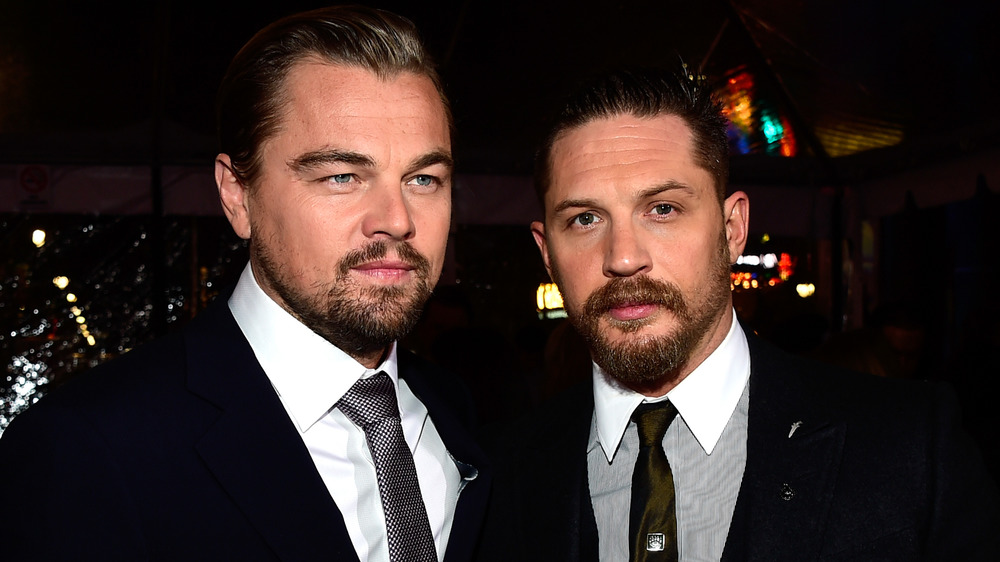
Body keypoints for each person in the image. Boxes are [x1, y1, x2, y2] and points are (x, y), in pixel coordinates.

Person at [0, 6, 490, 561]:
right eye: (342, 176)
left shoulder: (453, 412)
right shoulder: (91, 450)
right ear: (237, 194)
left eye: (424, 178)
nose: (398, 218)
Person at [476, 67, 999, 561]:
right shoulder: (501, 472)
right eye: (586, 218)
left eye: (663, 209)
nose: (623, 257)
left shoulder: (908, 447)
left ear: (732, 230)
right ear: (547, 253)